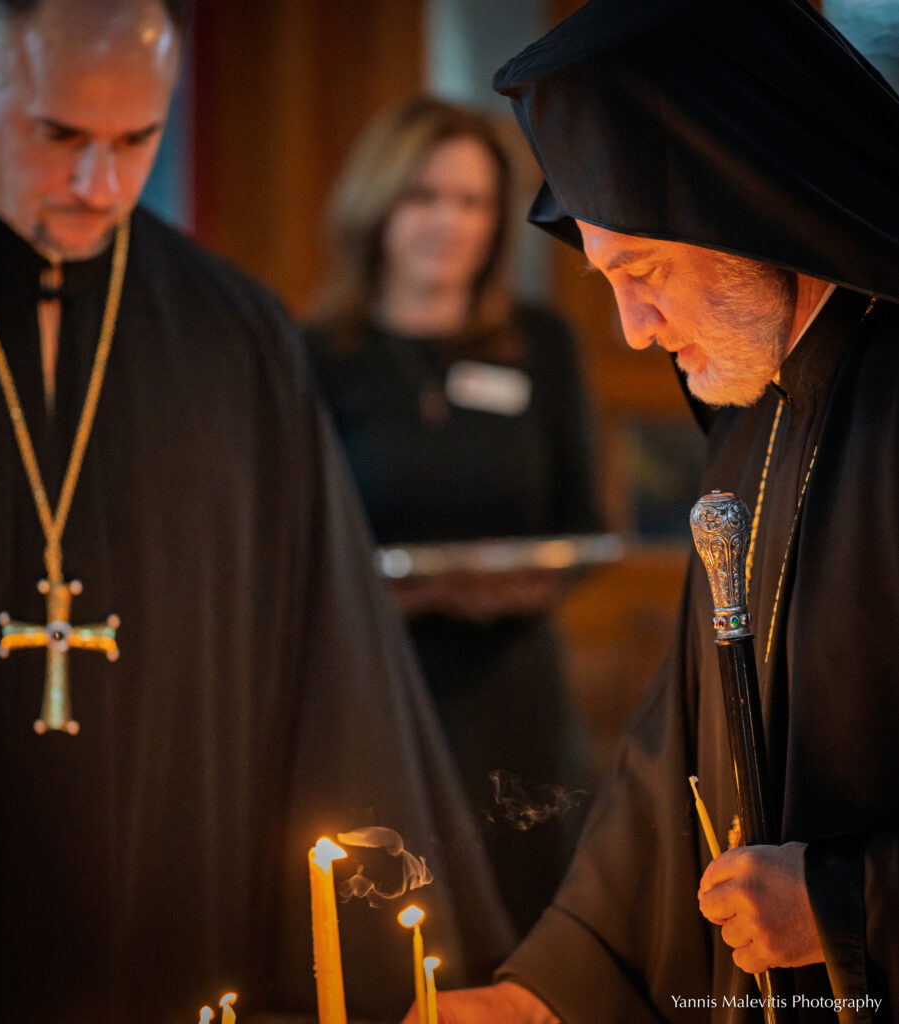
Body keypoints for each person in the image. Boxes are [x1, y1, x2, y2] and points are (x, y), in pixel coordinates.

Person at [0, 2, 517, 1021]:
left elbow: (322, 646)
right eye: (60, 136)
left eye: (135, 142)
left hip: (169, 890)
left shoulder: (230, 330)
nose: (98, 185)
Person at [403, 0, 899, 1021]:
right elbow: (684, 749)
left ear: (746, 207)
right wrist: (546, 987)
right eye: (605, 277)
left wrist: (849, 900)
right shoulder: (749, 419)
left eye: (643, 272)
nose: (630, 330)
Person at [304, 97, 603, 936]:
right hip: (377, 682)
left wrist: (529, 579)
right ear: (376, 205)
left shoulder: (541, 342)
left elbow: (582, 522)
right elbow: (300, 544)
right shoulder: (317, 356)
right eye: (424, 196)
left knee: (523, 915)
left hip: (513, 683)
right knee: (389, 919)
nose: (450, 222)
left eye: (472, 201)